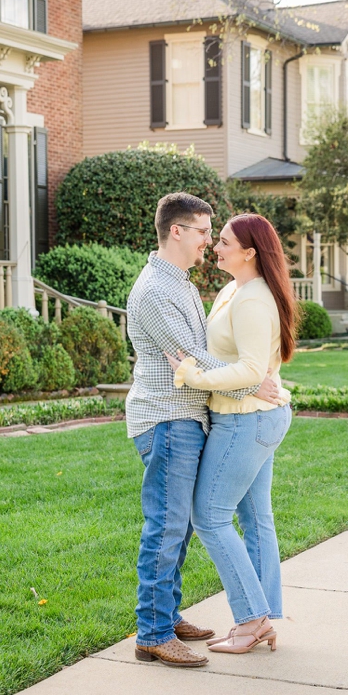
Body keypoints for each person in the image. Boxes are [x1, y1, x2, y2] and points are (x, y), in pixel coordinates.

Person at [125, 193, 284, 669]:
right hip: (168, 417)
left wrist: (252, 384)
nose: (208, 245)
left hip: (191, 415)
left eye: (215, 237)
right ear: (177, 231)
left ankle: (167, 616)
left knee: (183, 525)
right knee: (168, 525)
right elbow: (192, 360)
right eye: (202, 233)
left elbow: (203, 352)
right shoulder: (155, 291)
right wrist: (255, 385)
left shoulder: (183, 284)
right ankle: (152, 632)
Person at [167, 213, 297, 655]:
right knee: (256, 519)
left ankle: (250, 620)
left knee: (210, 516)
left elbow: (250, 370)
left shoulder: (253, 299)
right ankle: (263, 617)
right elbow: (241, 364)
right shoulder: (232, 291)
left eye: (222, 241)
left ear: (249, 252)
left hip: (246, 420)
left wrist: (188, 374)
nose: (214, 247)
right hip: (254, 415)